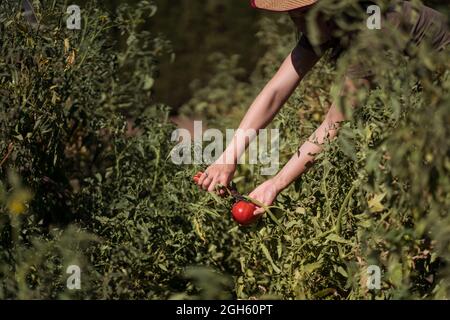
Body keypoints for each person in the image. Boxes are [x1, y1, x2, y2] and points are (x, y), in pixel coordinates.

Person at [195, 0, 449, 215]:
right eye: (293, 15)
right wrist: (228, 157)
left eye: (305, 12)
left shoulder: (371, 30)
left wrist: (276, 183)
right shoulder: (326, 24)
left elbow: (333, 124)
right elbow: (274, 92)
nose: (300, 23)